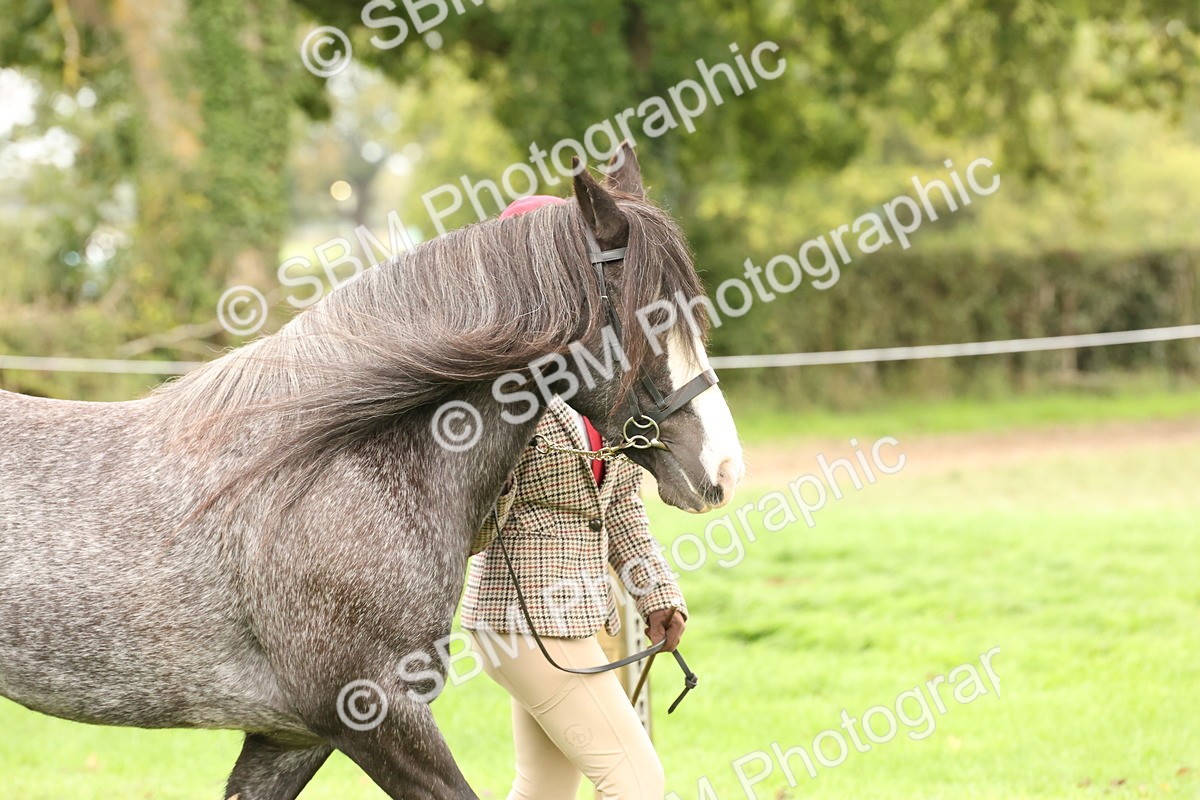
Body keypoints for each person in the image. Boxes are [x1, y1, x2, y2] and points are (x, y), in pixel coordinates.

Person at [462, 195, 686, 799]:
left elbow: (619, 505)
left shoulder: (595, 377)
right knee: (637, 781)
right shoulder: (498, 383)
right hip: (523, 619)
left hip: (575, 615)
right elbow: (474, 512)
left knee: (544, 789)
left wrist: (656, 592)